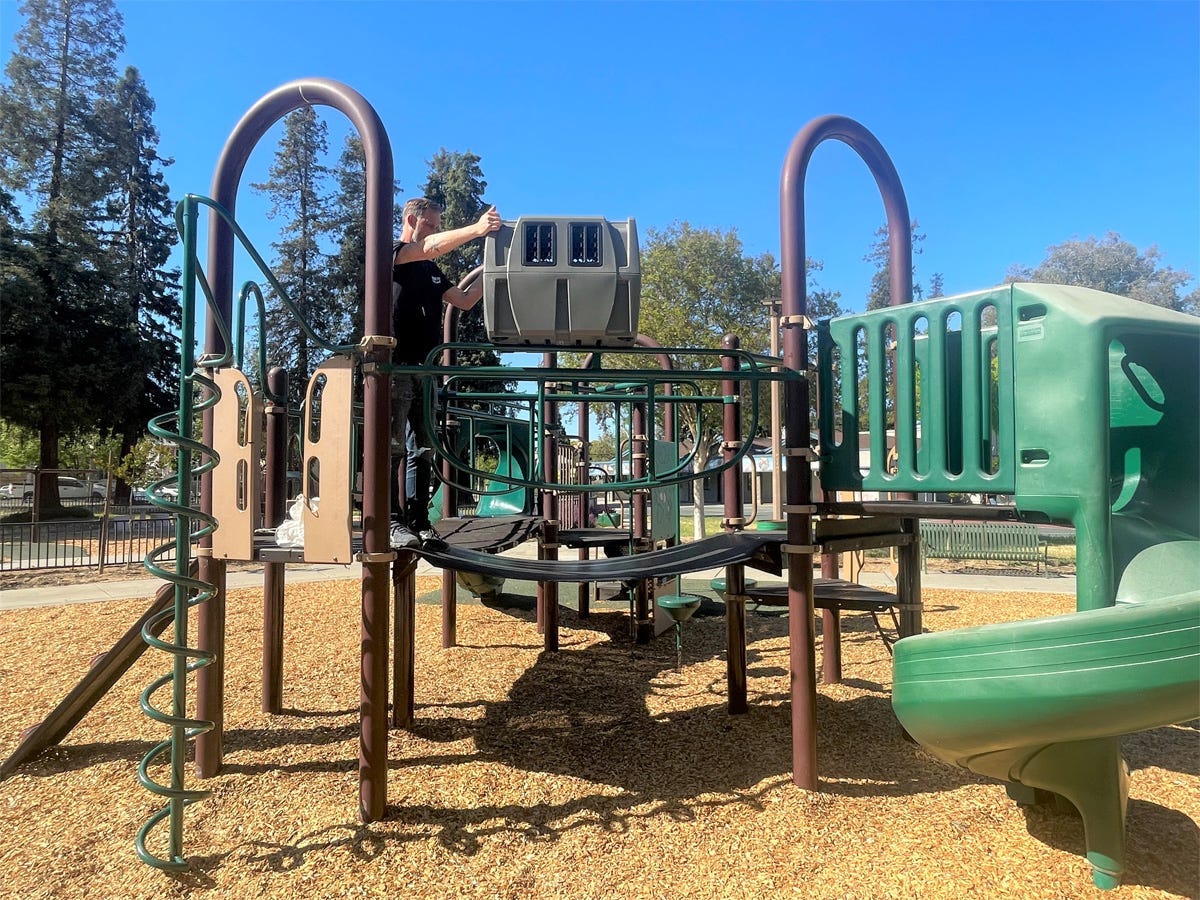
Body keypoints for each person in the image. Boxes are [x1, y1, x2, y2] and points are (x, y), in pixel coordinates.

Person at [389, 197, 502, 549]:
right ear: (411, 219)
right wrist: (477, 229)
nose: (436, 233)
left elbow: (465, 300)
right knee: (393, 446)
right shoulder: (392, 254)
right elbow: (428, 247)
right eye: (431, 225)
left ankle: (419, 521)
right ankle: (393, 522)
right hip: (394, 367)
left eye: (438, 226)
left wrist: (497, 267)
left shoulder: (431, 270)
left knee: (423, 448)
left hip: (425, 368)